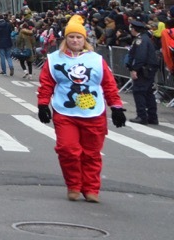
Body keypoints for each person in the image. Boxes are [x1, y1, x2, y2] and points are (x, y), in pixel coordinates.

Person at [37, 15, 127, 202]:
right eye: (71, 37)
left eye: (79, 37)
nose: (75, 40)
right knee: (67, 149)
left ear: (84, 39)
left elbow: (109, 85)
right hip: (65, 111)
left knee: (91, 153)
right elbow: (46, 84)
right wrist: (43, 104)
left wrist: (116, 107)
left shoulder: (96, 59)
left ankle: (91, 188)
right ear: (66, 39)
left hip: (93, 113)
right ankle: (74, 185)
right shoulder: (54, 59)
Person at [124, 17, 160, 124]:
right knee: (148, 92)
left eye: (131, 28)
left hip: (144, 69)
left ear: (134, 29)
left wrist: (135, 69)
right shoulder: (144, 38)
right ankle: (152, 117)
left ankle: (142, 116)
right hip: (148, 68)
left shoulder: (140, 40)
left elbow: (140, 56)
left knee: (139, 91)